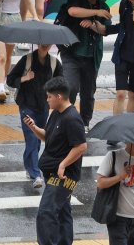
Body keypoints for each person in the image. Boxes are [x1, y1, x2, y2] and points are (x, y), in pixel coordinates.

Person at [23, 77, 87, 245]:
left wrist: (63, 164)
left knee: (46, 211)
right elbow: (48, 137)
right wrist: (34, 128)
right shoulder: (56, 114)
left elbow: (81, 146)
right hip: (53, 173)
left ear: (59, 97)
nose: (47, 99)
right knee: (62, 211)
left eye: (49, 96)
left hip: (66, 177)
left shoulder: (72, 118)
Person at [6, 43, 63, 188]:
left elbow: (61, 83)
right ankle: (36, 174)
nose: (45, 46)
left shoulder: (54, 63)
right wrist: (24, 78)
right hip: (26, 106)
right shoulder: (26, 60)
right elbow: (10, 80)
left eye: (48, 44)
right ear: (37, 44)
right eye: (43, 43)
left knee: (37, 139)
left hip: (44, 106)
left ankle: (29, 166)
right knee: (31, 138)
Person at [59, 0, 112, 131]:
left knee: (88, 92)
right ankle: (66, 119)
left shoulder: (104, 6)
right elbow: (72, 11)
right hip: (72, 53)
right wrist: (95, 13)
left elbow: (105, 30)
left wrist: (93, 23)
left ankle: (84, 123)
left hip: (92, 56)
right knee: (71, 87)